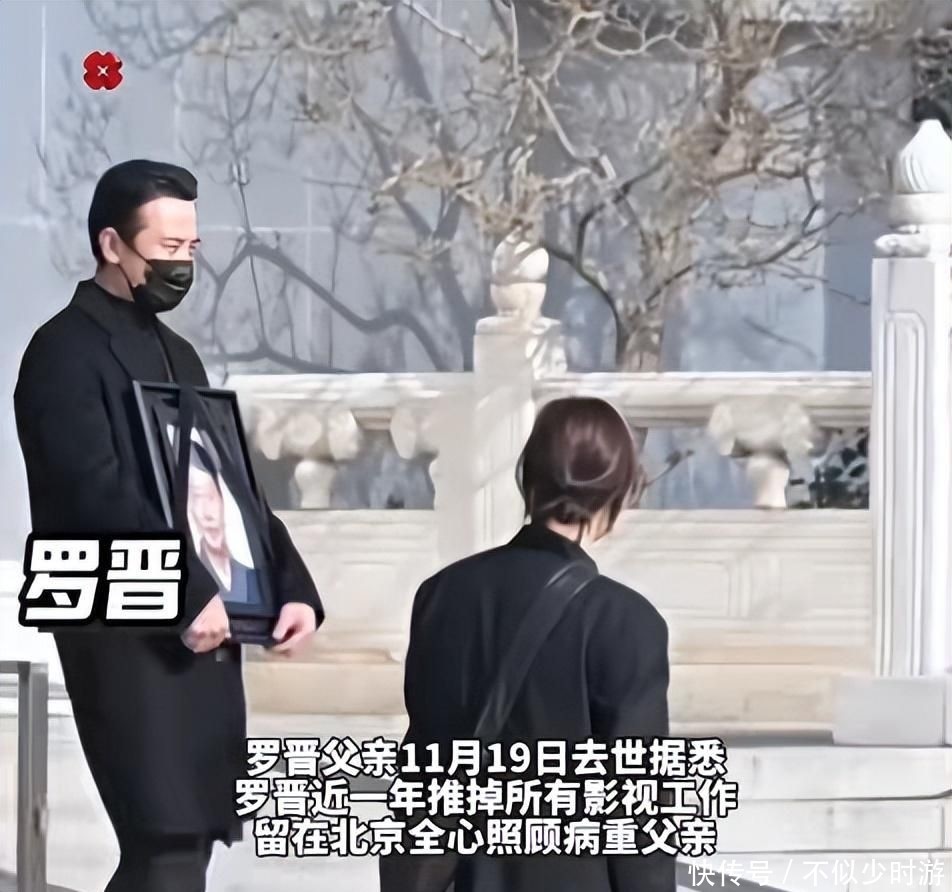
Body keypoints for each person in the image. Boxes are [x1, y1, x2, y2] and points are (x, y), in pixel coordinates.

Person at [13, 159, 325, 892]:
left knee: (189, 842)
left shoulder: (178, 355)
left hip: (206, 627)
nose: (182, 265)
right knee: (165, 842)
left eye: (191, 248)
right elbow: (90, 495)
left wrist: (289, 587)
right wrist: (188, 590)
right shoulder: (62, 352)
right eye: (167, 248)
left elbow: (228, 486)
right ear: (111, 244)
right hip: (128, 630)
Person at [385, 396, 675, 892]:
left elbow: (421, 769)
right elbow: (638, 811)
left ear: (528, 477)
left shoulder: (441, 595)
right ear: (619, 492)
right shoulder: (626, 622)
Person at [187, 441, 263, 606]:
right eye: (196, 499)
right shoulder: (190, 580)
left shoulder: (253, 573)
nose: (207, 513)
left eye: (210, 498)